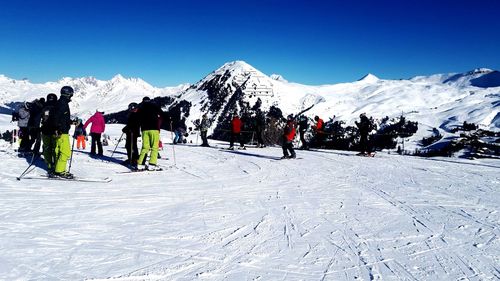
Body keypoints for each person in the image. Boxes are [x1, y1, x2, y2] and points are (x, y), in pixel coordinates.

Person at [51, 86, 74, 178]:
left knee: (58, 151)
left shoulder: (61, 102)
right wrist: (58, 129)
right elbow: (56, 118)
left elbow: (61, 118)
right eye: (71, 93)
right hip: (62, 132)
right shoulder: (62, 104)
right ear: (68, 93)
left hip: (59, 130)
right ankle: (59, 171)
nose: (72, 95)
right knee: (65, 152)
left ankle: (57, 168)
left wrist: (71, 122)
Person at [137, 96, 163, 171]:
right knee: (155, 147)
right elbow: (162, 114)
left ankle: (140, 164)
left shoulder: (140, 108)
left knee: (145, 147)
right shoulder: (154, 107)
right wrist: (169, 119)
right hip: (154, 129)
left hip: (144, 130)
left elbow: (138, 119)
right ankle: (152, 164)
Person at [40, 93, 58, 173]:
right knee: (55, 149)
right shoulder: (57, 107)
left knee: (47, 148)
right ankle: (55, 165)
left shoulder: (44, 107)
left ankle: (49, 164)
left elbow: (41, 118)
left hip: (45, 130)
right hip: (55, 131)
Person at [122, 102, 140, 168]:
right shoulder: (135, 114)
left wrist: (127, 129)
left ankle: (133, 159)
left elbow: (133, 124)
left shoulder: (134, 114)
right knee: (132, 146)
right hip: (132, 132)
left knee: (130, 146)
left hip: (132, 132)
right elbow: (131, 124)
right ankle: (134, 159)